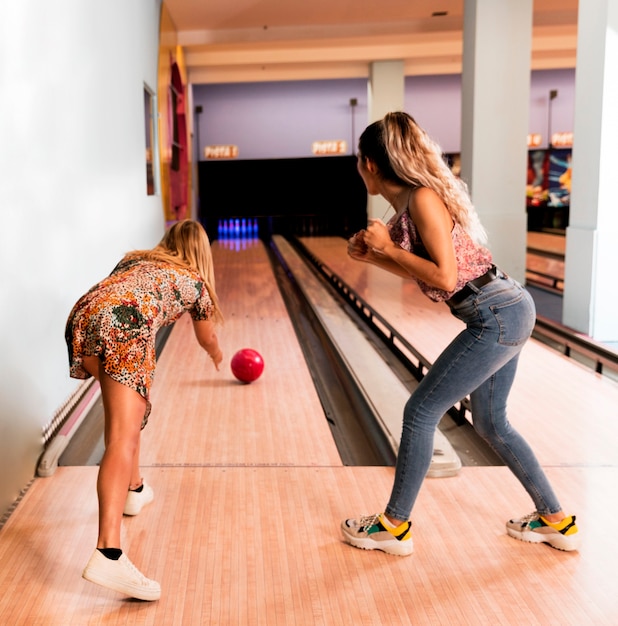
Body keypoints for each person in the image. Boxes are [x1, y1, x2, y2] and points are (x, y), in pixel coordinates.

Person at [341, 112, 580, 556]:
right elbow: (428, 272)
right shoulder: (406, 207)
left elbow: (446, 277)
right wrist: (375, 257)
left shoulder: (424, 199)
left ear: (370, 163)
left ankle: (393, 526)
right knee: (492, 422)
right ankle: (555, 521)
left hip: (497, 314)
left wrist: (387, 248)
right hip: (501, 310)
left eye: (358, 161)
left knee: (420, 411)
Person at [65, 219, 224, 600]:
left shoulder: (133, 260)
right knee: (124, 434)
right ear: (202, 252)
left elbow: (110, 300)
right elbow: (206, 337)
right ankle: (109, 553)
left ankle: (133, 488)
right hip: (126, 325)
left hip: (82, 318)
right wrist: (217, 353)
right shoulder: (196, 282)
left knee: (125, 422)